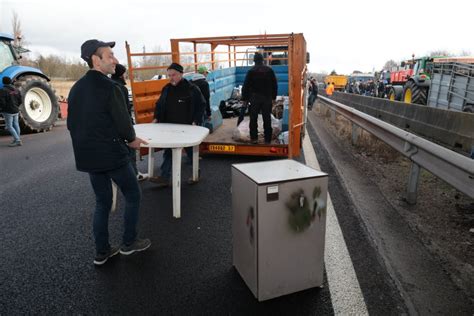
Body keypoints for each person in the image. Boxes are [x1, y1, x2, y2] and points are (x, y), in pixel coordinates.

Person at [67, 39, 150, 266]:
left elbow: (71, 125)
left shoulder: (76, 89)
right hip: (112, 156)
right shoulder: (110, 88)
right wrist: (133, 141)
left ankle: (102, 252)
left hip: (89, 158)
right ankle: (128, 244)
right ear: (96, 60)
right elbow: (124, 124)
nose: (115, 60)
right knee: (133, 194)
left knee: (102, 202)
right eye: (110, 55)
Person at [150, 62, 206, 187]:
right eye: (169, 75)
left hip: (187, 127)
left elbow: (201, 105)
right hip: (169, 127)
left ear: (181, 74)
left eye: (173, 75)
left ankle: (195, 172)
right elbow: (159, 105)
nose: (171, 78)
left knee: (191, 151)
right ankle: (165, 177)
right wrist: (156, 118)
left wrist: (196, 121)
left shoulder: (192, 89)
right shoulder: (166, 88)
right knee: (169, 151)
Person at [111, 63, 146, 181]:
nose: (125, 75)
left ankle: (121, 176)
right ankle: (134, 174)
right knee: (130, 149)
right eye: (124, 73)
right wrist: (130, 128)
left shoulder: (109, 85)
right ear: (121, 75)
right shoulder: (121, 88)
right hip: (123, 124)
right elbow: (124, 110)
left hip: (112, 127)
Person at [241, 52, 278, 144]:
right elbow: (275, 85)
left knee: (253, 119)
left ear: (254, 61)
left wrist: (244, 99)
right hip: (267, 98)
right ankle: (267, 140)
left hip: (254, 98)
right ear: (262, 60)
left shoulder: (251, 71)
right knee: (267, 118)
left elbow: (245, 86)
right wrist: (273, 97)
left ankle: (254, 139)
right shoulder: (269, 70)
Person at [0, 76, 23, 147]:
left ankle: (17, 140)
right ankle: (17, 139)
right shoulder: (16, 90)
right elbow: (20, 100)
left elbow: (2, 102)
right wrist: (16, 106)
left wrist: (1, 109)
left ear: (3, 82)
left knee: (9, 126)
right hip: (16, 110)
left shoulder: (3, 90)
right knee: (16, 124)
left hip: (8, 111)